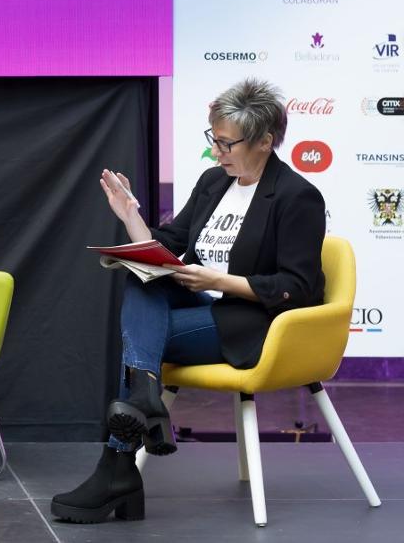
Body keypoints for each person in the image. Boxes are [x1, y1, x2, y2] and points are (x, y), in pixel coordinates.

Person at [51, 78, 326, 523]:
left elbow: (300, 286)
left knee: (142, 338)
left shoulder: (297, 197)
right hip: (201, 305)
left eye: (225, 143)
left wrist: (222, 279)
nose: (216, 152)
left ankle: (120, 461)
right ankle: (145, 398)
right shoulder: (214, 182)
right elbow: (167, 249)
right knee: (140, 280)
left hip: (250, 320)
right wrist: (131, 217)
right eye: (212, 140)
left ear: (265, 141)